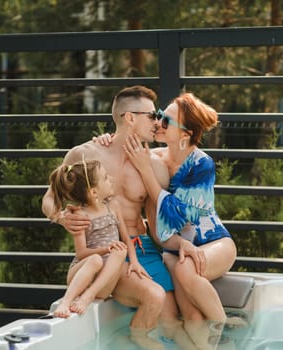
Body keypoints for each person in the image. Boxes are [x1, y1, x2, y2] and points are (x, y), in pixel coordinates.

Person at [42, 86, 181, 349]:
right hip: (107, 251)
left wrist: (180, 247)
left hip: (143, 248)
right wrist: (60, 217)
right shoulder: (86, 155)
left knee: (172, 324)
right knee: (153, 297)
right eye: (153, 116)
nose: (158, 122)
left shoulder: (156, 165)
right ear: (130, 118)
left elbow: (161, 219)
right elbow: (49, 197)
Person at [123, 92, 238, 348]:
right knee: (192, 316)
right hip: (177, 250)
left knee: (185, 267)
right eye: (160, 116)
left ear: (185, 134)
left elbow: (177, 213)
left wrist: (145, 171)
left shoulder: (202, 164)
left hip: (214, 244)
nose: (158, 123)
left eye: (167, 121)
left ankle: (223, 326)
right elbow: (121, 140)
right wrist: (106, 138)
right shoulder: (154, 158)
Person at [48, 158, 145, 319]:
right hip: (83, 275)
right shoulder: (80, 216)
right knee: (95, 260)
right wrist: (105, 249)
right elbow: (81, 254)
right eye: (106, 178)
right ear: (94, 192)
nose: (111, 179)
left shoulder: (113, 206)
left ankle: (89, 296)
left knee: (120, 251)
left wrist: (134, 262)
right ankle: (67, 301)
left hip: (103, 284)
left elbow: (127, 239)